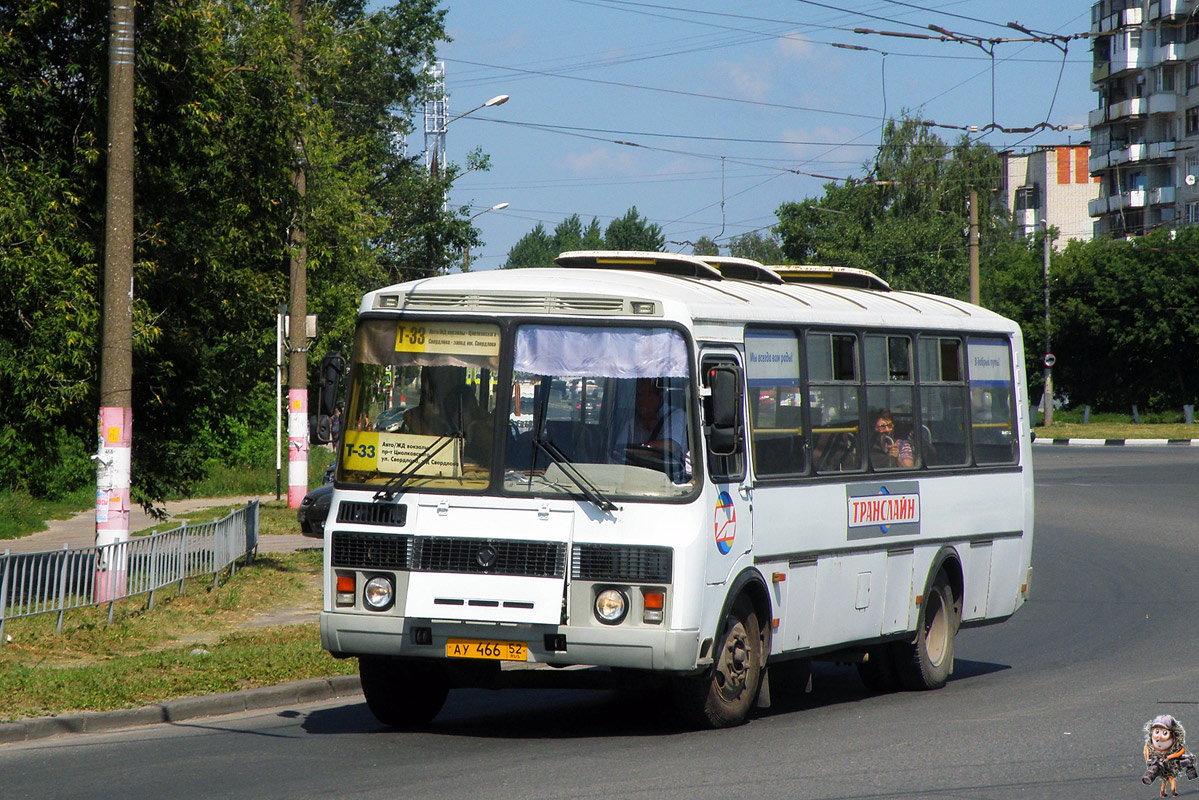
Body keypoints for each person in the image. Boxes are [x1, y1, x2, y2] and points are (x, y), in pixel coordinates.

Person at [620, 377, 690, 478]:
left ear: (660, 395)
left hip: (673, 479)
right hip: (638, 477)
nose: (640, 400)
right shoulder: (632, 422)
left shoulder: (676, 416)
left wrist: (638, 450)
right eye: (638, 395)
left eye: (646, 394)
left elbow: (671, 446)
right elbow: (619, 449)